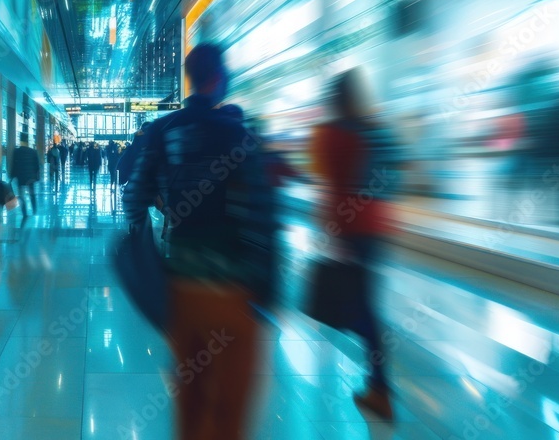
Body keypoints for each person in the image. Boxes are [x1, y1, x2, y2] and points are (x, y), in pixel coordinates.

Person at [123, 44, 276, 440]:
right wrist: (268, 286)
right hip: (232, 290)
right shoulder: (239, 134)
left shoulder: (163, 129)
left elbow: (134, 196)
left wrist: (145, 250)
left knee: (190, 396)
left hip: (181, 288)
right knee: (230, 408)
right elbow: (263, 212)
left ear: (191, 77)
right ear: (220, 76)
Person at [309, 69, 394, 419]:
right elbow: (389, 176)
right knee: (366, 302)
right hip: (376, 226)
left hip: (349, 227)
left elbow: (326, 181)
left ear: (335, 99)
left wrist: (331, 226)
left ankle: (381, 387)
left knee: (360, 308)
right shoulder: (377, 131)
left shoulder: (329, 134)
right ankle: (378, 384)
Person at [12, 135, 40, 218]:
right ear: (27, 141)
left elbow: (14, 164)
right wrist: (37, 176)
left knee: (21, 195)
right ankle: (34, 210)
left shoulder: (16, 151)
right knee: (32, 193)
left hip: (20, 176)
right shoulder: (33, 151)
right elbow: (37, 166)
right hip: (31, 177)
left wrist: (12, 175)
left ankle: (24, 213)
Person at [117, 123, 151, 187]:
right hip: (146, 188)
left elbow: (121, 171)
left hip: (135, 187)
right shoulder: (156, 151)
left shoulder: (132, 151)